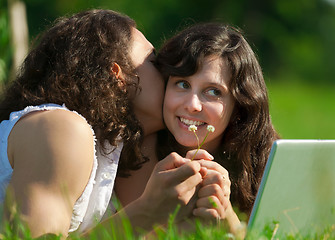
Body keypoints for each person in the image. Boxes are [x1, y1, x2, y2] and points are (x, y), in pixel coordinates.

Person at [0, 9, 209, 238]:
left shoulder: (115, 151)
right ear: (118, 75)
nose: (168, 75)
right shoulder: (63, 129)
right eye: (153, 61)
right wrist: (147, 210)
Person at [152, 22, 280, 233]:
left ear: (240, 104)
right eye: (183, 84)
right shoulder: (140, 151)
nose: (192, 105)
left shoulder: (268, 163)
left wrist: (229, 221)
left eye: (213, 92)